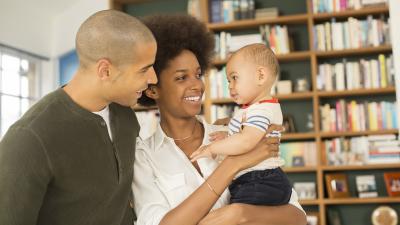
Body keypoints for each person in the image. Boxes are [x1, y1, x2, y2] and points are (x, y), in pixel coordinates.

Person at [132, 14, 307, 225]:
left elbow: (297, 217)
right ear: (152, 90)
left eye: (198, 74)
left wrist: (240, 214)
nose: (197, 85)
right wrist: (232, 165)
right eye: (181, 78)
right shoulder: (144, 157)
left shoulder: (236, 135)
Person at [0, 10, 157, 225]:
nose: (153, 78)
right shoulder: (29, 138)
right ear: (105, 71)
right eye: (144, 69)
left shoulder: (126, 116)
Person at [190, 43, 292, 206]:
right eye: (228, 80)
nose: (230, 86)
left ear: (260, 76)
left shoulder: (261, 110)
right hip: (259, 179)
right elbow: (247, 136)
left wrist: (212, 149)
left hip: (259, 180)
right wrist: (229, 135)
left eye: (235, 77)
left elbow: (246, 141)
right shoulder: (255, 109)